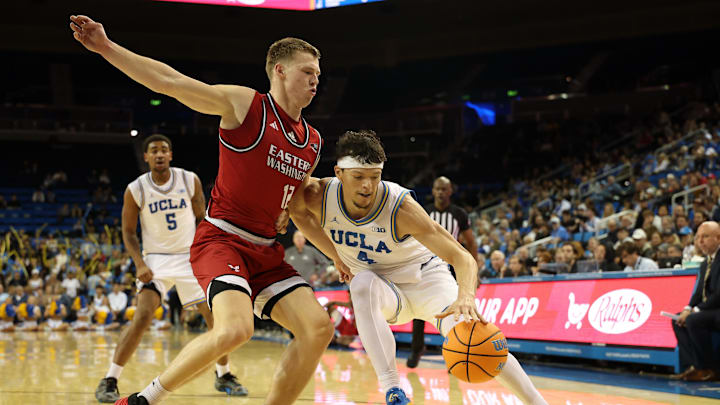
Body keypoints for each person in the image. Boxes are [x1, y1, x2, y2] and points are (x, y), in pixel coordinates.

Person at [70, 14, 335, 405]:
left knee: (318, 329)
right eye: (307, 71)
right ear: (279, 70)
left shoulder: (312, 141)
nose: (315, 80)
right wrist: (107, 47)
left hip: (265, 252)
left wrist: (339, 256)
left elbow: (296, 212)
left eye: (318, 73)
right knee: (234, 330)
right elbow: (172, 83)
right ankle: (143, 399)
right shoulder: (247, 105)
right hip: (222, 240)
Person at [289, 130, 547, 405]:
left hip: (427, 280)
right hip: (383, 288)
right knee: (361, 284)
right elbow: (297, 214)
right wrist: (335, 255)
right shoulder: (319, 195)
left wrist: (466, 297)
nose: (367, 186)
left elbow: (463, 257)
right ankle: (393, 390)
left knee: (476, 337)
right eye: (359, 177)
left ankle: (537, 402)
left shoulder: (401, 207)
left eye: (374, 177)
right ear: (339, 173)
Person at [93, 135, 247, 402]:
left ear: (171, 155)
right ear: (146, 157)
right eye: (154, 151)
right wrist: (139, 263)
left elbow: (203, 219)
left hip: (190, 257)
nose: (160, 154)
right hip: (155, 260)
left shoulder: (189, 180)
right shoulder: (136, 188)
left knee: (216, 319)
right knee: (142, 316)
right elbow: (128, 232)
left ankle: (224, 375)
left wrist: (207, 254)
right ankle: (110, 379)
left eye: (164, 149)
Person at [407, 176, 479, 368]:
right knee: (418, 309)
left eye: (444, 189)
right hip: (426, 265)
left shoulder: (459, 214)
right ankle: (417, 348)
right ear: (433, 191)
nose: (440, 192)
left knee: (456, 311)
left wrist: (475, 273)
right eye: (437, 189)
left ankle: (456, 352)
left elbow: (471, 242)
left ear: (450, 191)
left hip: (454, 267)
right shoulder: (424, 212)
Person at [671, 221, 720, 382]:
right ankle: (695, 366)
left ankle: (710, 368)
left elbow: (719, 294)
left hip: (717, 309)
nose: (700, 241)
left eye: (705, 237)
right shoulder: (705, 263)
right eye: (698, 237)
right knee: (678, 319)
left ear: (718, 238)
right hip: (708, 310)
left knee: (693, 320)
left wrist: (695, 310)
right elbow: (698, 292)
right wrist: (687, 308)